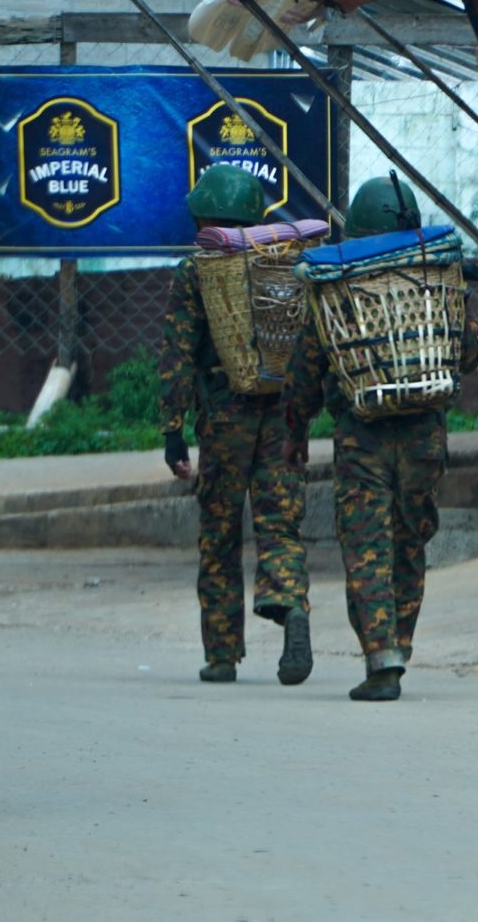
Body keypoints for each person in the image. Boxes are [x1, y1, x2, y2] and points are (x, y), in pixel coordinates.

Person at [281, 176, 478, 702]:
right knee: (409, 542)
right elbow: (467, 355)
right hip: (424, 436)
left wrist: (295, 432)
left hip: (361, 438)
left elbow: (306, 369)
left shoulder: (337, 287)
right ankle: (400, 644)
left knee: (366, 546)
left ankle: (381, 656)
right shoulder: (436, 279)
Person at [158, 163, 312, 686]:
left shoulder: (196, 271)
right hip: (282, 414)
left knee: (220, 534)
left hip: (224, 418)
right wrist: (303, 414)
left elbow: (177, 352)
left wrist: (172, 429)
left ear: (204, 218)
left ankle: (222, 654)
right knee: (280, 524)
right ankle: (291, 605)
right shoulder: (285, 263)